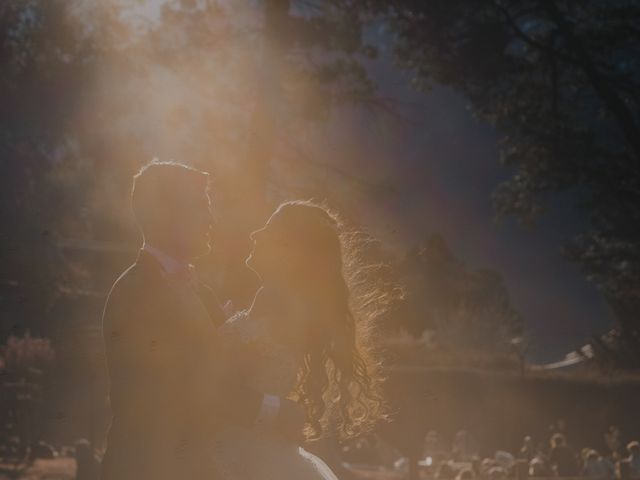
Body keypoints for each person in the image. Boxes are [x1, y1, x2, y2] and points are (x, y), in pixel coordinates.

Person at [100, 161, 304, 480]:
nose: (210, 219)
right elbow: (187, 387)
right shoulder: (138, 291)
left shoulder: (198, 289)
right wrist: (273, 409)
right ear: (167, 214)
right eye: (201, 208)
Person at [210, 201, 387, 479]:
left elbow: (224, 375)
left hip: (243, 450)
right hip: (260, 446)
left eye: (268, 229)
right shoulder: (287, 301)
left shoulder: (274, 297)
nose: (255, 235)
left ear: (288, 250)